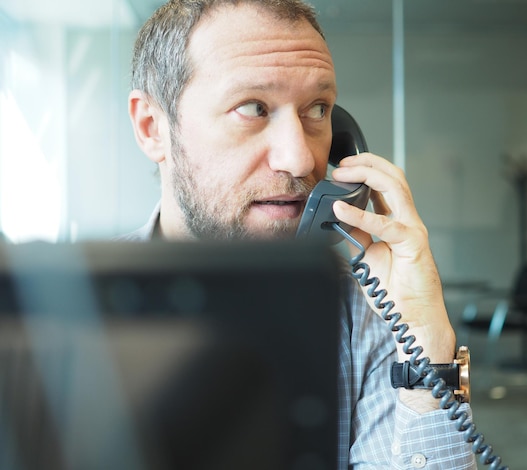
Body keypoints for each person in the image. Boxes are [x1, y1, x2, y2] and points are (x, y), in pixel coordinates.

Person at [125, 0, 477, 468]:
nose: (301, 159)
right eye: (253, 108)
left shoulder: (368, 309)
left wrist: (423, 339)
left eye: (317, 109)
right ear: (153, 128)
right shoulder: (59, 306)